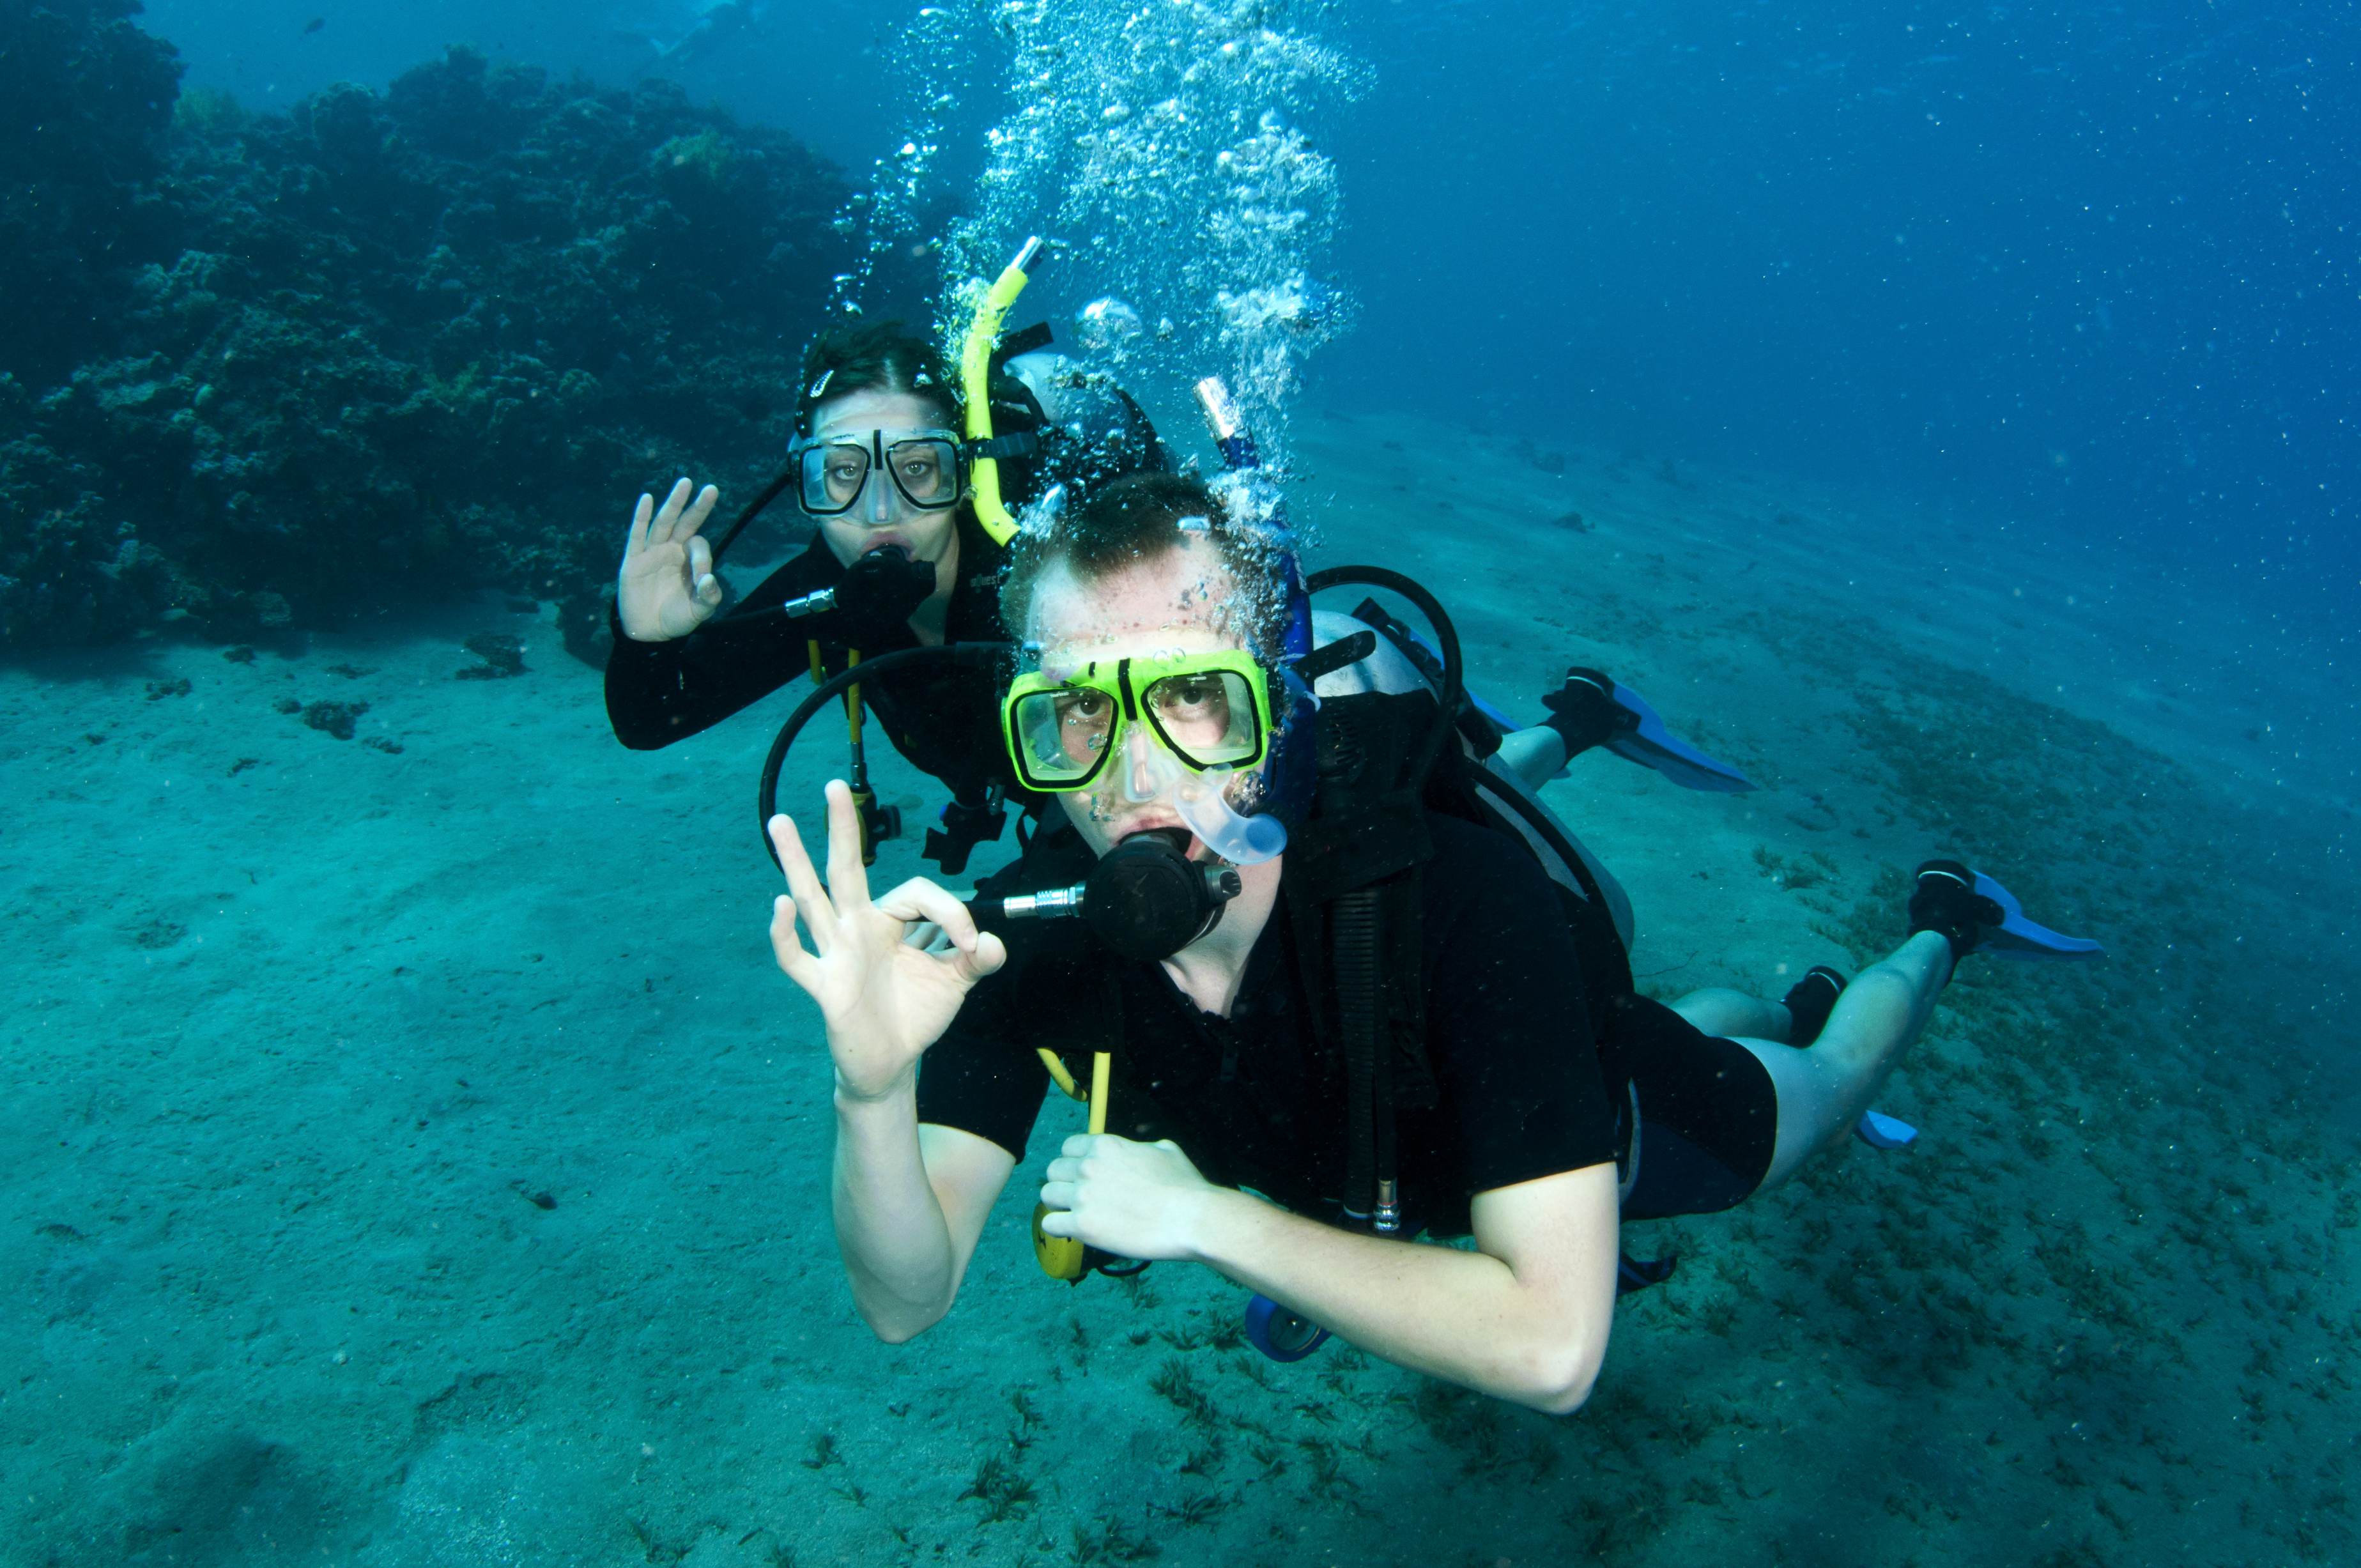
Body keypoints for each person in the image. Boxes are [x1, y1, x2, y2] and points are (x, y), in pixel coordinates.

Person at [762, 475, 2094, 1411]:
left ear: (1278, 723)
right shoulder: (1014, 947)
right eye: (1070, 719)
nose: (1130, 782)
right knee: (1702, 1014)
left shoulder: (1453, 901)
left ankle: (1943, 923)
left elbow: (1553, 1346)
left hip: (1582, 1115)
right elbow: (902, 1300)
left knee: (1811, 1094)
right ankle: (1637, 829)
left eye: (1194, 706)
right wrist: (871, 1092)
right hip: (1365, 1171)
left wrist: (1212, 1223)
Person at [604, 321, 1169, 869]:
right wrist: (645, 639)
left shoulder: (1039, 567)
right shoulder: (824, 589)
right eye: (845, 473)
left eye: (917, 468)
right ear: (809, 485)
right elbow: (653, 720)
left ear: (964, 473)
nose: (880, 511)